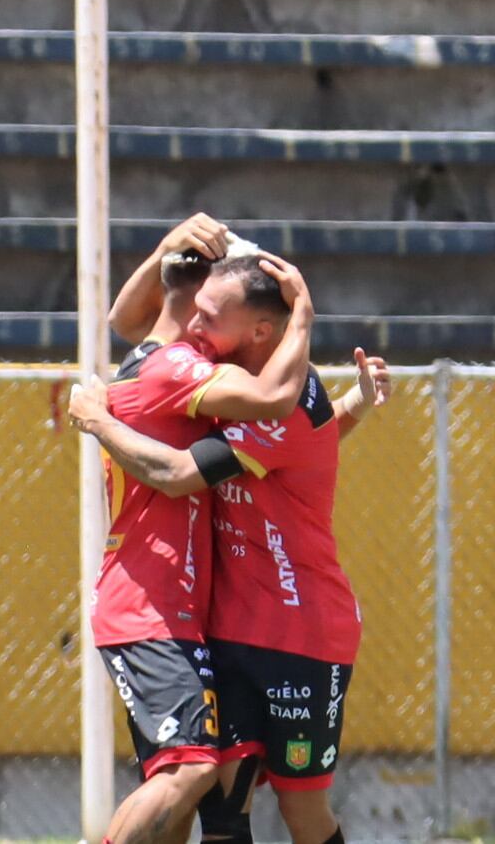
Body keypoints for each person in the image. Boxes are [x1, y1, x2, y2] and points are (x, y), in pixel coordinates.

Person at [72, 253, 389, 844]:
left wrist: (97, 420)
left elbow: (178, 472)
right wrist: (354, 406)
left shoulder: (284, 393)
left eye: (210, 316)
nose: (193, 326)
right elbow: (131, 322)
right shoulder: (227, 383)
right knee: (220, 805)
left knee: (303, 813)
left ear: (261, 331)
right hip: (228, 628)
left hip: (302, 631)